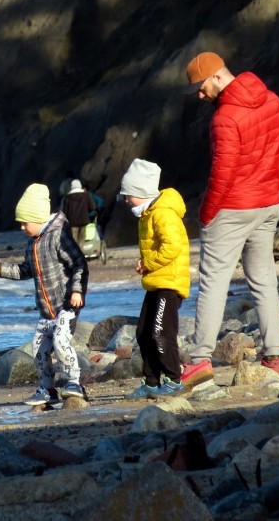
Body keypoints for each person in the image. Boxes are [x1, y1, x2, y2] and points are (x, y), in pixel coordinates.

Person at [181, 51, 279, 388]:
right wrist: (272, 190)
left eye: (201, 87)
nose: (200, 95)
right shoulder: (272, 100)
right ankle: (274, 356)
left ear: (217, 76)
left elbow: (222, 173)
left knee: (214, 282)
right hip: (268, 203)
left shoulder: (224, 118)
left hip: (232, 207)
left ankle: (199, 361)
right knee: (263, 280)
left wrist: (206, 212)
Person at [0, 183, 89, 405]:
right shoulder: (32, 244)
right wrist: (1, 269)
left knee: (61, 342)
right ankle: (47, 388)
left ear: (39, 218)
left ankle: (74, 383)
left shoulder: (58, 236)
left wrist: (77, 290)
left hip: (66, 306)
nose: (22, 227)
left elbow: (79, 263)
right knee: (39, 349)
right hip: (45, 310)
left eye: (25, 222)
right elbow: (26, 270)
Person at [118, 159, 191, 399]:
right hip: (156, 281)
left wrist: (147, 263)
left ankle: (174, 379)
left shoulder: (162, 214)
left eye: (128, 194)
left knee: (160, 332)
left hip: (169, 283)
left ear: (141, 192)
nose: (126, 199)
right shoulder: (148, 214)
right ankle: (151, 382)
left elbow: (173, 246)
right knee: (143, 332)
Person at [61, 179, 95, 247]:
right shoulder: (86, 195)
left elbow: (65, 212)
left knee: (74, 242)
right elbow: (92, 207)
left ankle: (76, 256)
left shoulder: (67, 197)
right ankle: (81, 255)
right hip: (84, 221)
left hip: (72, 223)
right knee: (81, 241)